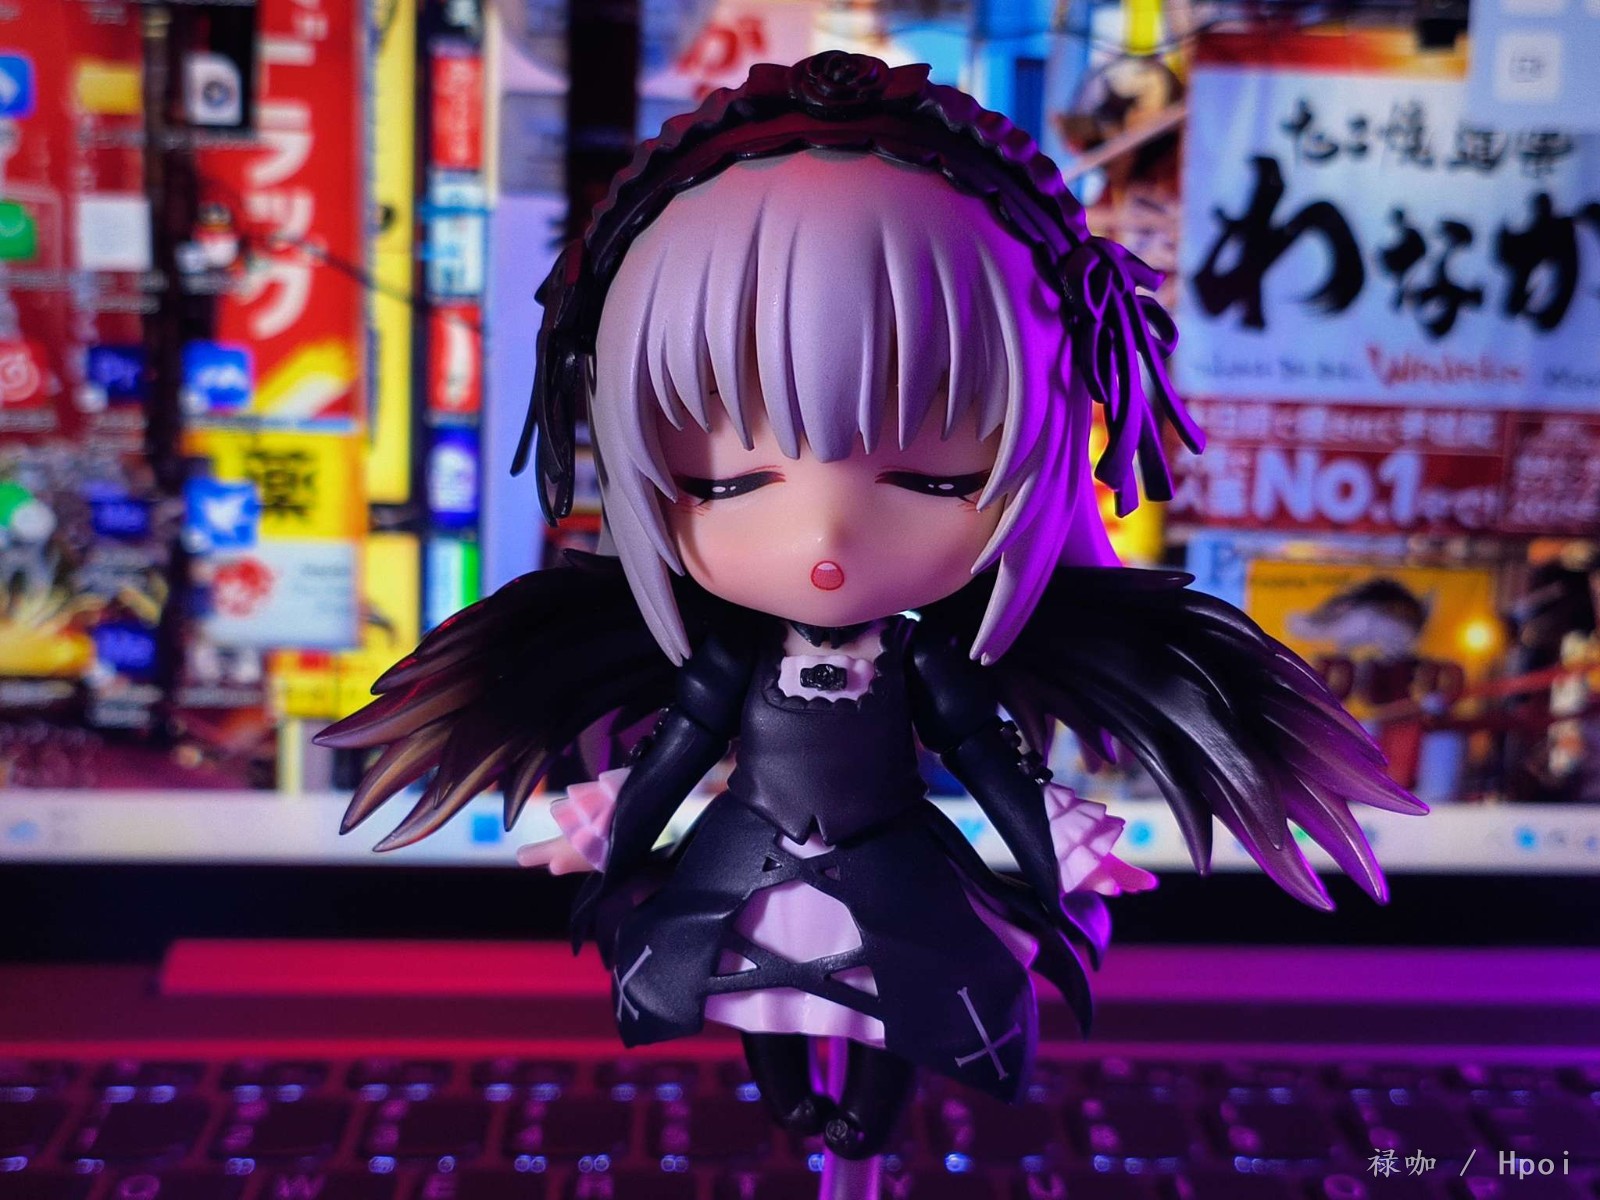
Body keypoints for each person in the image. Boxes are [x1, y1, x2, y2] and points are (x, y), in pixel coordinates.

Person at [317, 51, 1425, 1161]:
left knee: (912, 985)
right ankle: (792, 1096)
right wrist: (620, 832)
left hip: (890, 854)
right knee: (738, 976)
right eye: (726, 483)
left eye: (936, 480)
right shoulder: (729, 661)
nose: (825, 541)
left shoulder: (919, 659)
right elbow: (678, 751)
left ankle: (871, 1114)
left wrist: (1047, 846)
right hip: (749, 849)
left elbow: (986, 757)